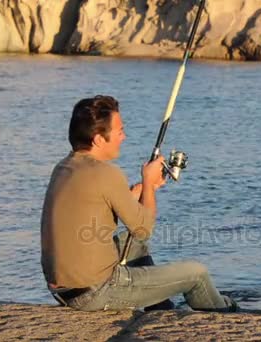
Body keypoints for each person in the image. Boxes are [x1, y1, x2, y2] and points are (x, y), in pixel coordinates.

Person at [40, 95, 237, 312]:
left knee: (132, 243)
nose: (123, 136)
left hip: (64, 290)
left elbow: (103, 203)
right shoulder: (107, 173)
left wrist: (140, 191)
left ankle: (161, 309)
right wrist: (149, 184)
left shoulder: (64, 167)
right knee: (196, 273)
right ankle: (226, 313)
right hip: (95, 293)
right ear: (98, 139)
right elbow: (143, 229)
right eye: (119, 131)